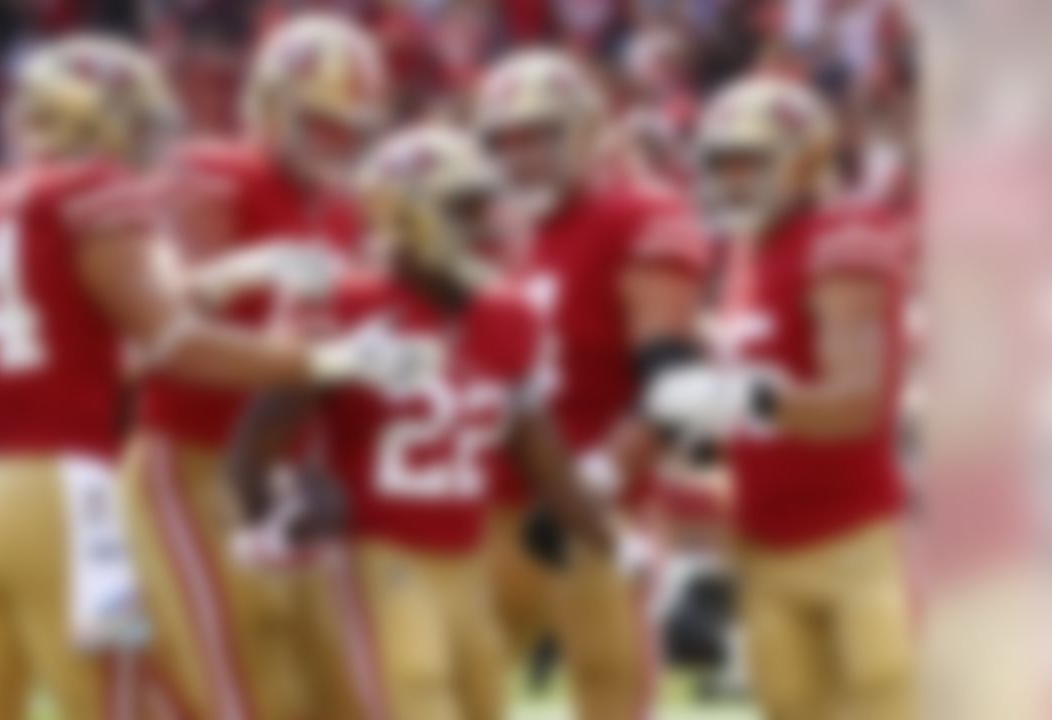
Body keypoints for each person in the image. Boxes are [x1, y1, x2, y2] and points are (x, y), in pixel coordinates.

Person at [0, 34, 417, 720]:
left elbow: (109, 302)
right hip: (68, 490)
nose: (147, 141)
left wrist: (235, 274)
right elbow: (170, 342)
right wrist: (323, 360)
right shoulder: (92, 191)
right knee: (128, 697)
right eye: (136, 119)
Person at [227, 126, 631, 720]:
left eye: (481, 204)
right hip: (374, 558)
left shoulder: (506, 315)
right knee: (413, 700)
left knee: (484, 702)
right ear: (407, 213)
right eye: (461, 207)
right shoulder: (347, 302)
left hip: (464, 565)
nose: (485, 222)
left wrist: (620, 547)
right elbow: (258, 438)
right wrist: (271, 522)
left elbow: (542, 454)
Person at [118, 14, 392, 720]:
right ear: (272, 109)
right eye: (323, 123)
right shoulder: (217, 171)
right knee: (226, 676)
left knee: (328, 687)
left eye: (351, 128)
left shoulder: (345, 210)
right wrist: (250, 281)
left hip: (288, 470)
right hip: (193, 456)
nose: (339, 143)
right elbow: (170, 310)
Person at [645, 74, 917, 720]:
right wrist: (703, 563)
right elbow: (734, 436)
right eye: (721, 165)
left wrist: (746, 398)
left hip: (849, 541)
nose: (732, 181)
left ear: (806, 159)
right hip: (761, 547)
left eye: (750, 163)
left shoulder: (840, 234)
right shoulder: (746, 253)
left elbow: (858, 403)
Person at [471, 49, 709, 719]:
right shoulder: (502, 234)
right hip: (491, 504)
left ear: (582, 131)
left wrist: (594, 482)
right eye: (504, 142)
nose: (519, 157)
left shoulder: (637, 216)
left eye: (537, 136)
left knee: (611, 693)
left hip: (598, 509)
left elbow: (675, 383)